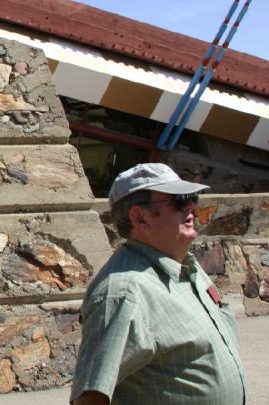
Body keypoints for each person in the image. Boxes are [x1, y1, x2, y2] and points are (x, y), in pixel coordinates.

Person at [71, 163, 246, 405]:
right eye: (177, 202)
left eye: (190, 197)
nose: (191, 207)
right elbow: (90, 399)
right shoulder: (124, 292)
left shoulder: (187, 268)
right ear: (140, 217)